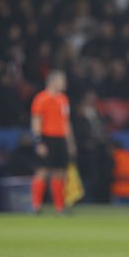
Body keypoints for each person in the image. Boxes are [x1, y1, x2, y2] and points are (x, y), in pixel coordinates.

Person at [30, 70, 76, 214]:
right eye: (62, 80)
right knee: (43, 171)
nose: (64, 83)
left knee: (60, 172)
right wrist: (39, 142)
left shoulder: (63, 99)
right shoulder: (41, 98)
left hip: (61, 139)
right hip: (47, 138)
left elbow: (66, 122)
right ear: (53, 81)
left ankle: (59, 207)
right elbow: (36, 121)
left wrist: (70, 142)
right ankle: (36, 205)